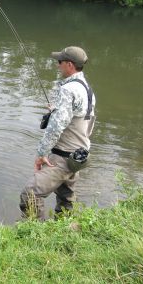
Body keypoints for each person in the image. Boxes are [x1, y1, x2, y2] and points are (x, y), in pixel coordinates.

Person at [20, 46, 96, 220]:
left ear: (69, 65)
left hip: (63, 156)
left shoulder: (68, 90)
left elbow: (56, 127)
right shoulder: (87, 89)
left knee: (30, 194)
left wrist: (41, 154)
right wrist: (56, 110)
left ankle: (35, 235)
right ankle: (64, 230)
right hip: (79, 156)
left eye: (59, 62)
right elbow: (80, 117)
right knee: (66, 198)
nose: (57, 65)